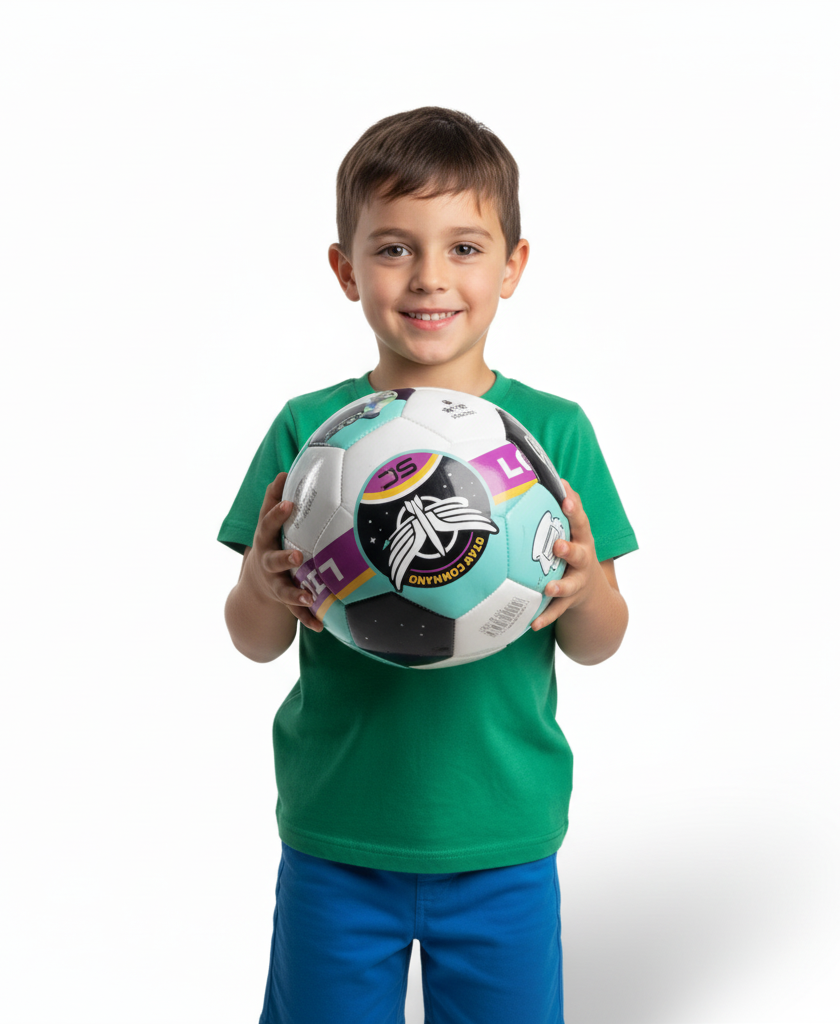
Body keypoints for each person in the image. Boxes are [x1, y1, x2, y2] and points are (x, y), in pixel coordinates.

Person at [219, 107, 637, 1024]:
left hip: (502, 836)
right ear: (347, 269)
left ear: (512, 267)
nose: (430, 278)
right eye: (395, 249)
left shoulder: (552, 435)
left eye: (465, 248)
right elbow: (253, 640)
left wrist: (583, 588)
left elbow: (601, 642)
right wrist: (259, 584)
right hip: (337, 833)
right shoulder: (311, 434)